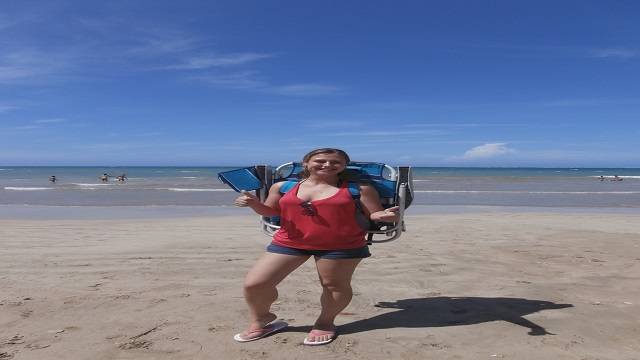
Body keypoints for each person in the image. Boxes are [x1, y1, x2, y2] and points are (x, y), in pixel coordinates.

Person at [233, 148, 400, 345]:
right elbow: (271, 211)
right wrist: (254, 204)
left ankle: (325, 322)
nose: (327, 165)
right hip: (289, 242)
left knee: (333, 286)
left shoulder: (360, 189)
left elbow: (373, 214)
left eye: (335, 162)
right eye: (320, 160)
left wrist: (384, 216)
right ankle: (261, 319)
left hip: (341, 246)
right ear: (306, 163)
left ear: (344, 166)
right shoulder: (282, 187)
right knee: (255, 284)